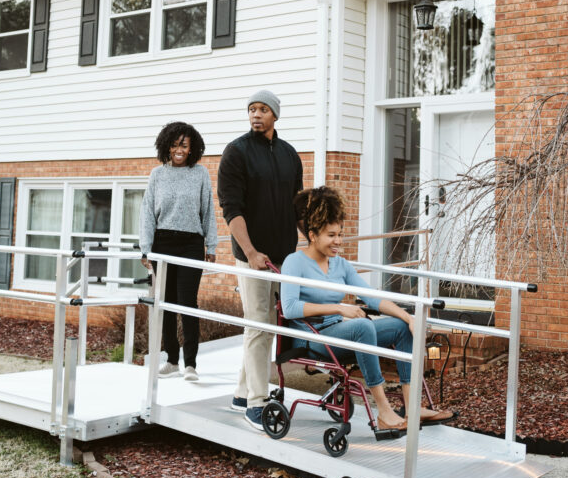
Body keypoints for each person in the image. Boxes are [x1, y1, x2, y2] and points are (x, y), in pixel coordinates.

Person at [280, 186, 453, 432]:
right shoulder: (294, 262)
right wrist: (339, 308)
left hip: (341, 331)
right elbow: (289, 308)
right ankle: (383, 411)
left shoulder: (340, 264)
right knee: (362, 326)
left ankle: (412, 406)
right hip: (315, 337)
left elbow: (372, 298)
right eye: (331, 235)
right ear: (312, 234)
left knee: (401, 327)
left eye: (340, 234)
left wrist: (409, 317)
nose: (338, 241)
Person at [218, 89, 303, 431]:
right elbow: (231, 208)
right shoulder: (236, 153)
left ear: (275, 116)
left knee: (268, 323)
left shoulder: (289, 154)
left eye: (263, 109)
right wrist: (251, 252)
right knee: (257, 323)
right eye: (251, 109)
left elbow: (297, 205)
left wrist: (310, 243)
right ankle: (256, 401)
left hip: (284, 257)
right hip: (252, 257)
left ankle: (241, 392)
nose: (255, 115)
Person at [140, 121, 217, 382]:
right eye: (174, 144)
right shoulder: (157, 175)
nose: (179, 149)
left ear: (192, 147)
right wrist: (145, 249)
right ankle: (172, 359)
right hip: (162, 243)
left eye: (184, 144)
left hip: (191, 244)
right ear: (166, 146)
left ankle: (190, 364)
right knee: (166, 304)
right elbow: (147, 214)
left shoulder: (200, 173)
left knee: (188, 303)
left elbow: (208, 211)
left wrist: (212, 245)